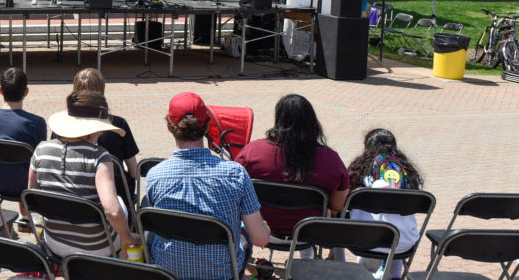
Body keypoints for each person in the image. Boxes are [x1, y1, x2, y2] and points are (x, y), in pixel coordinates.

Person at [145, 93, 269, 279]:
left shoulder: (155, 176)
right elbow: (260, 238)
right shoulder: (235, 174)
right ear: (207, 125)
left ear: (169, 128)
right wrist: (264, 228)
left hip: (169, 272)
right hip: (221, 274)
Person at [29, 91, 140, 258]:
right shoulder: (100, 156)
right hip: (98, 246)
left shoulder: (41, 150)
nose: (102, 133)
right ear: (88, 129)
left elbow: (30, 198)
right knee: (119, 203)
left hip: (55, 241)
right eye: (99, 127)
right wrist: (126, 237)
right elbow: (113, 211)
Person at [235, 94, 350, 247]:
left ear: (278, 120)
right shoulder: (331, 159)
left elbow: (233, 190)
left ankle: (247, 264)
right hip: (309, 235)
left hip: (261, 231)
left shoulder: (252, 152)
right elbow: (338, 206)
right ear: (312, 122)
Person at [346, 128, 425, 280]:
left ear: (367, 149)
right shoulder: (406, 172)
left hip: (368, 241)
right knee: (394, 224)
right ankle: (394, 274)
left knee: (368, 222)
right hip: (405, 242)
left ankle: (365, 272)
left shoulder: (362, 170)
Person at [0, 68, 46, 215]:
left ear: (1, 91)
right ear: (26, 92)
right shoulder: (37, 123)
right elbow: (41, 160)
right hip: (27, 186)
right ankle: (27, 216)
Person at [71, 68, 139, 195]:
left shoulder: (62, 128)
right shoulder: (118, 125)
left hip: (74, 195)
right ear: (101, 91)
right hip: (114, 193)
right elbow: (134, 172)